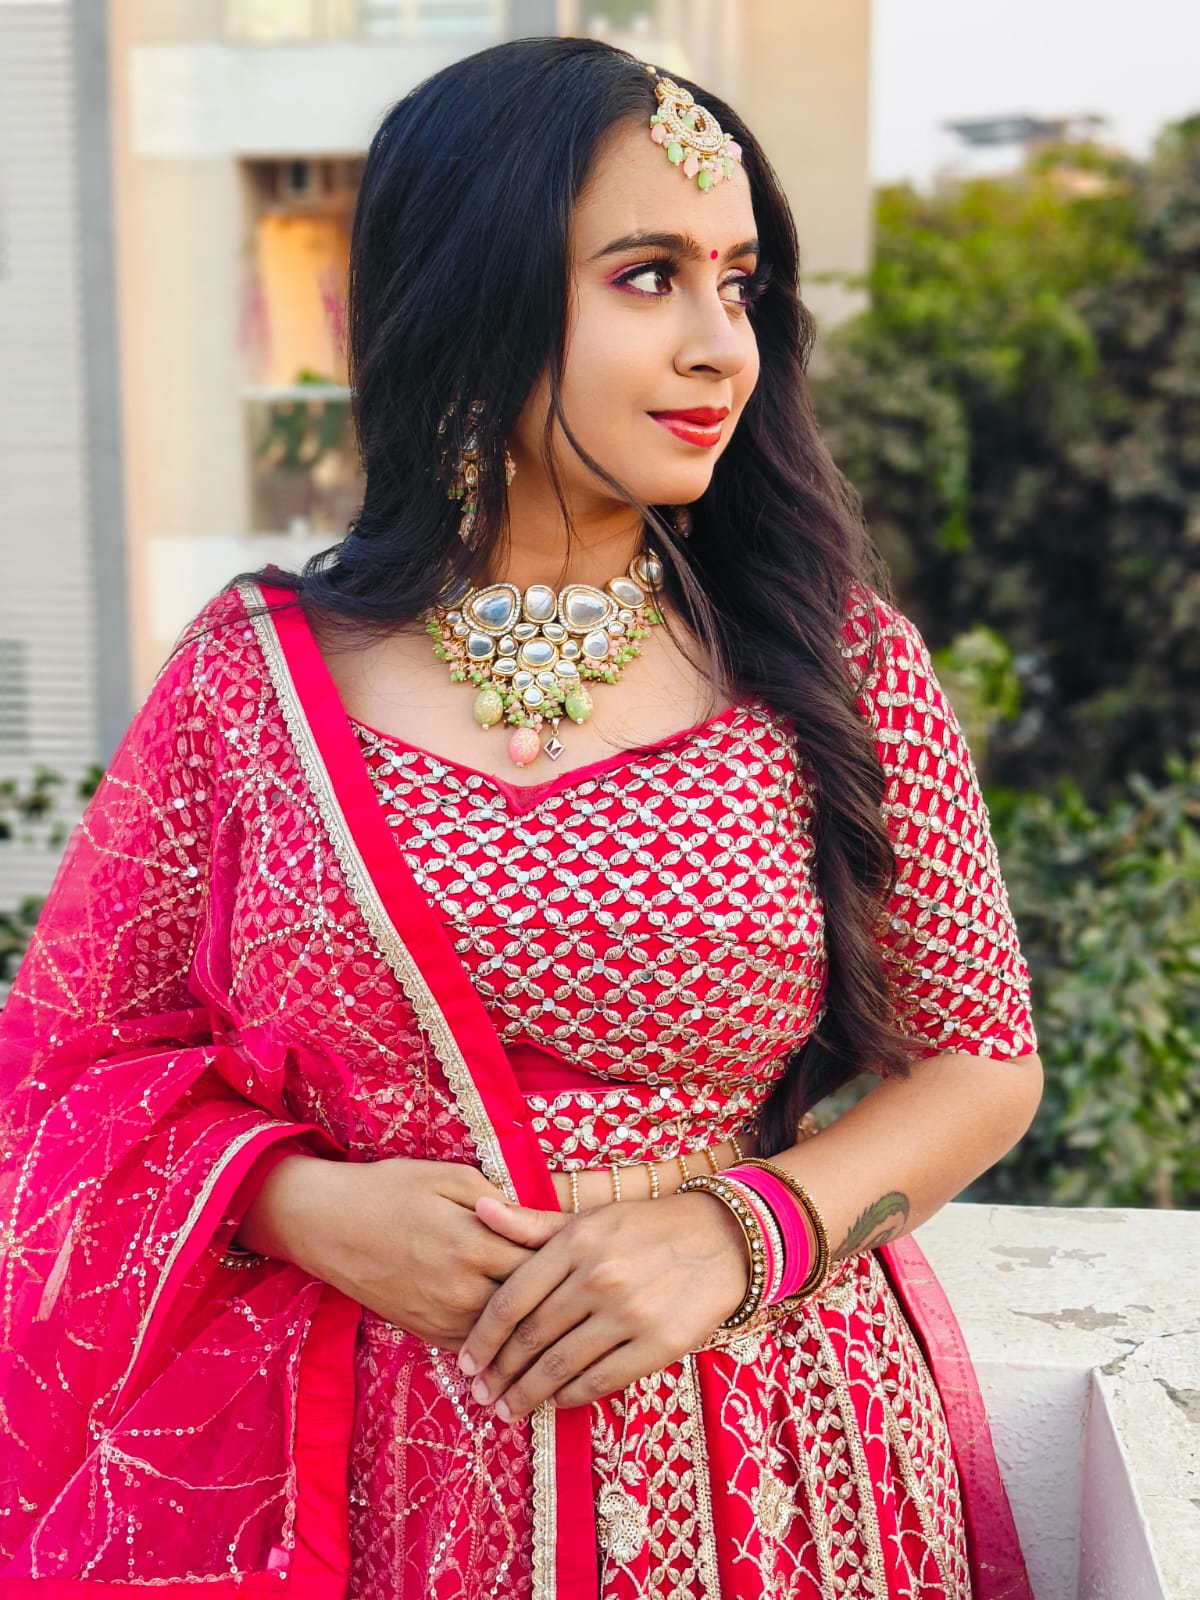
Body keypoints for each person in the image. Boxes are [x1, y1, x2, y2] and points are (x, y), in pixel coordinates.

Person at [0, 36, 1043, 1600]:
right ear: (470, 294)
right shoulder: (255, 679)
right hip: (359, 1472)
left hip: (759, 1463)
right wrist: (294, 1202)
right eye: (647, 277)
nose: (720, 347)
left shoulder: (834, 667)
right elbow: (63, 1070)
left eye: (740, 285)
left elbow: (980, 1059)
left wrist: (738, 1233)